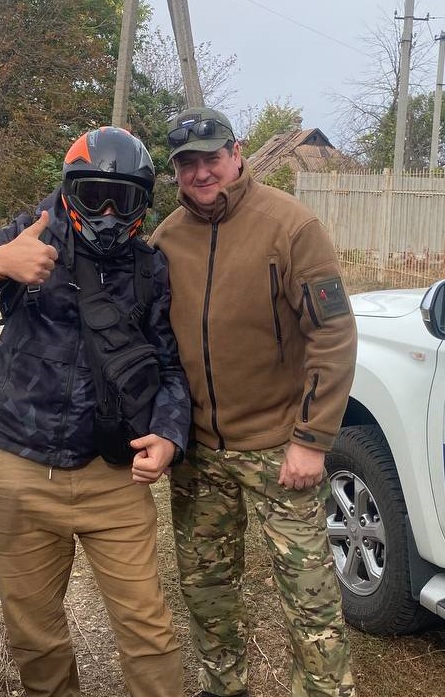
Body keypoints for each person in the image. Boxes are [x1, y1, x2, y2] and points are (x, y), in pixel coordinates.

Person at [0, 127, 190, 697]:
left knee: (149, 633)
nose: (111, 213)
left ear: (145, 205)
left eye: (126, 199)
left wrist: (169, 435)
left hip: (113, 475)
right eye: (96, 195)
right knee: (35, 635)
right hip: (21, 468)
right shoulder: (30, 233)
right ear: (71, 190)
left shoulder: (150, 269)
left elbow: (171, 368)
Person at [150, 107, 358, 697]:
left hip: (279, 451)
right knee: (206, 591)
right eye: (187, 164)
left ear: (236, 154)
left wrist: (311, 440)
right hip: (199, 456)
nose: (201, 173)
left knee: (309, 600)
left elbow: (333, 336)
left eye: (211, 158)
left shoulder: (290, 227)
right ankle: (224, 687)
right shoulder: (166, 239)